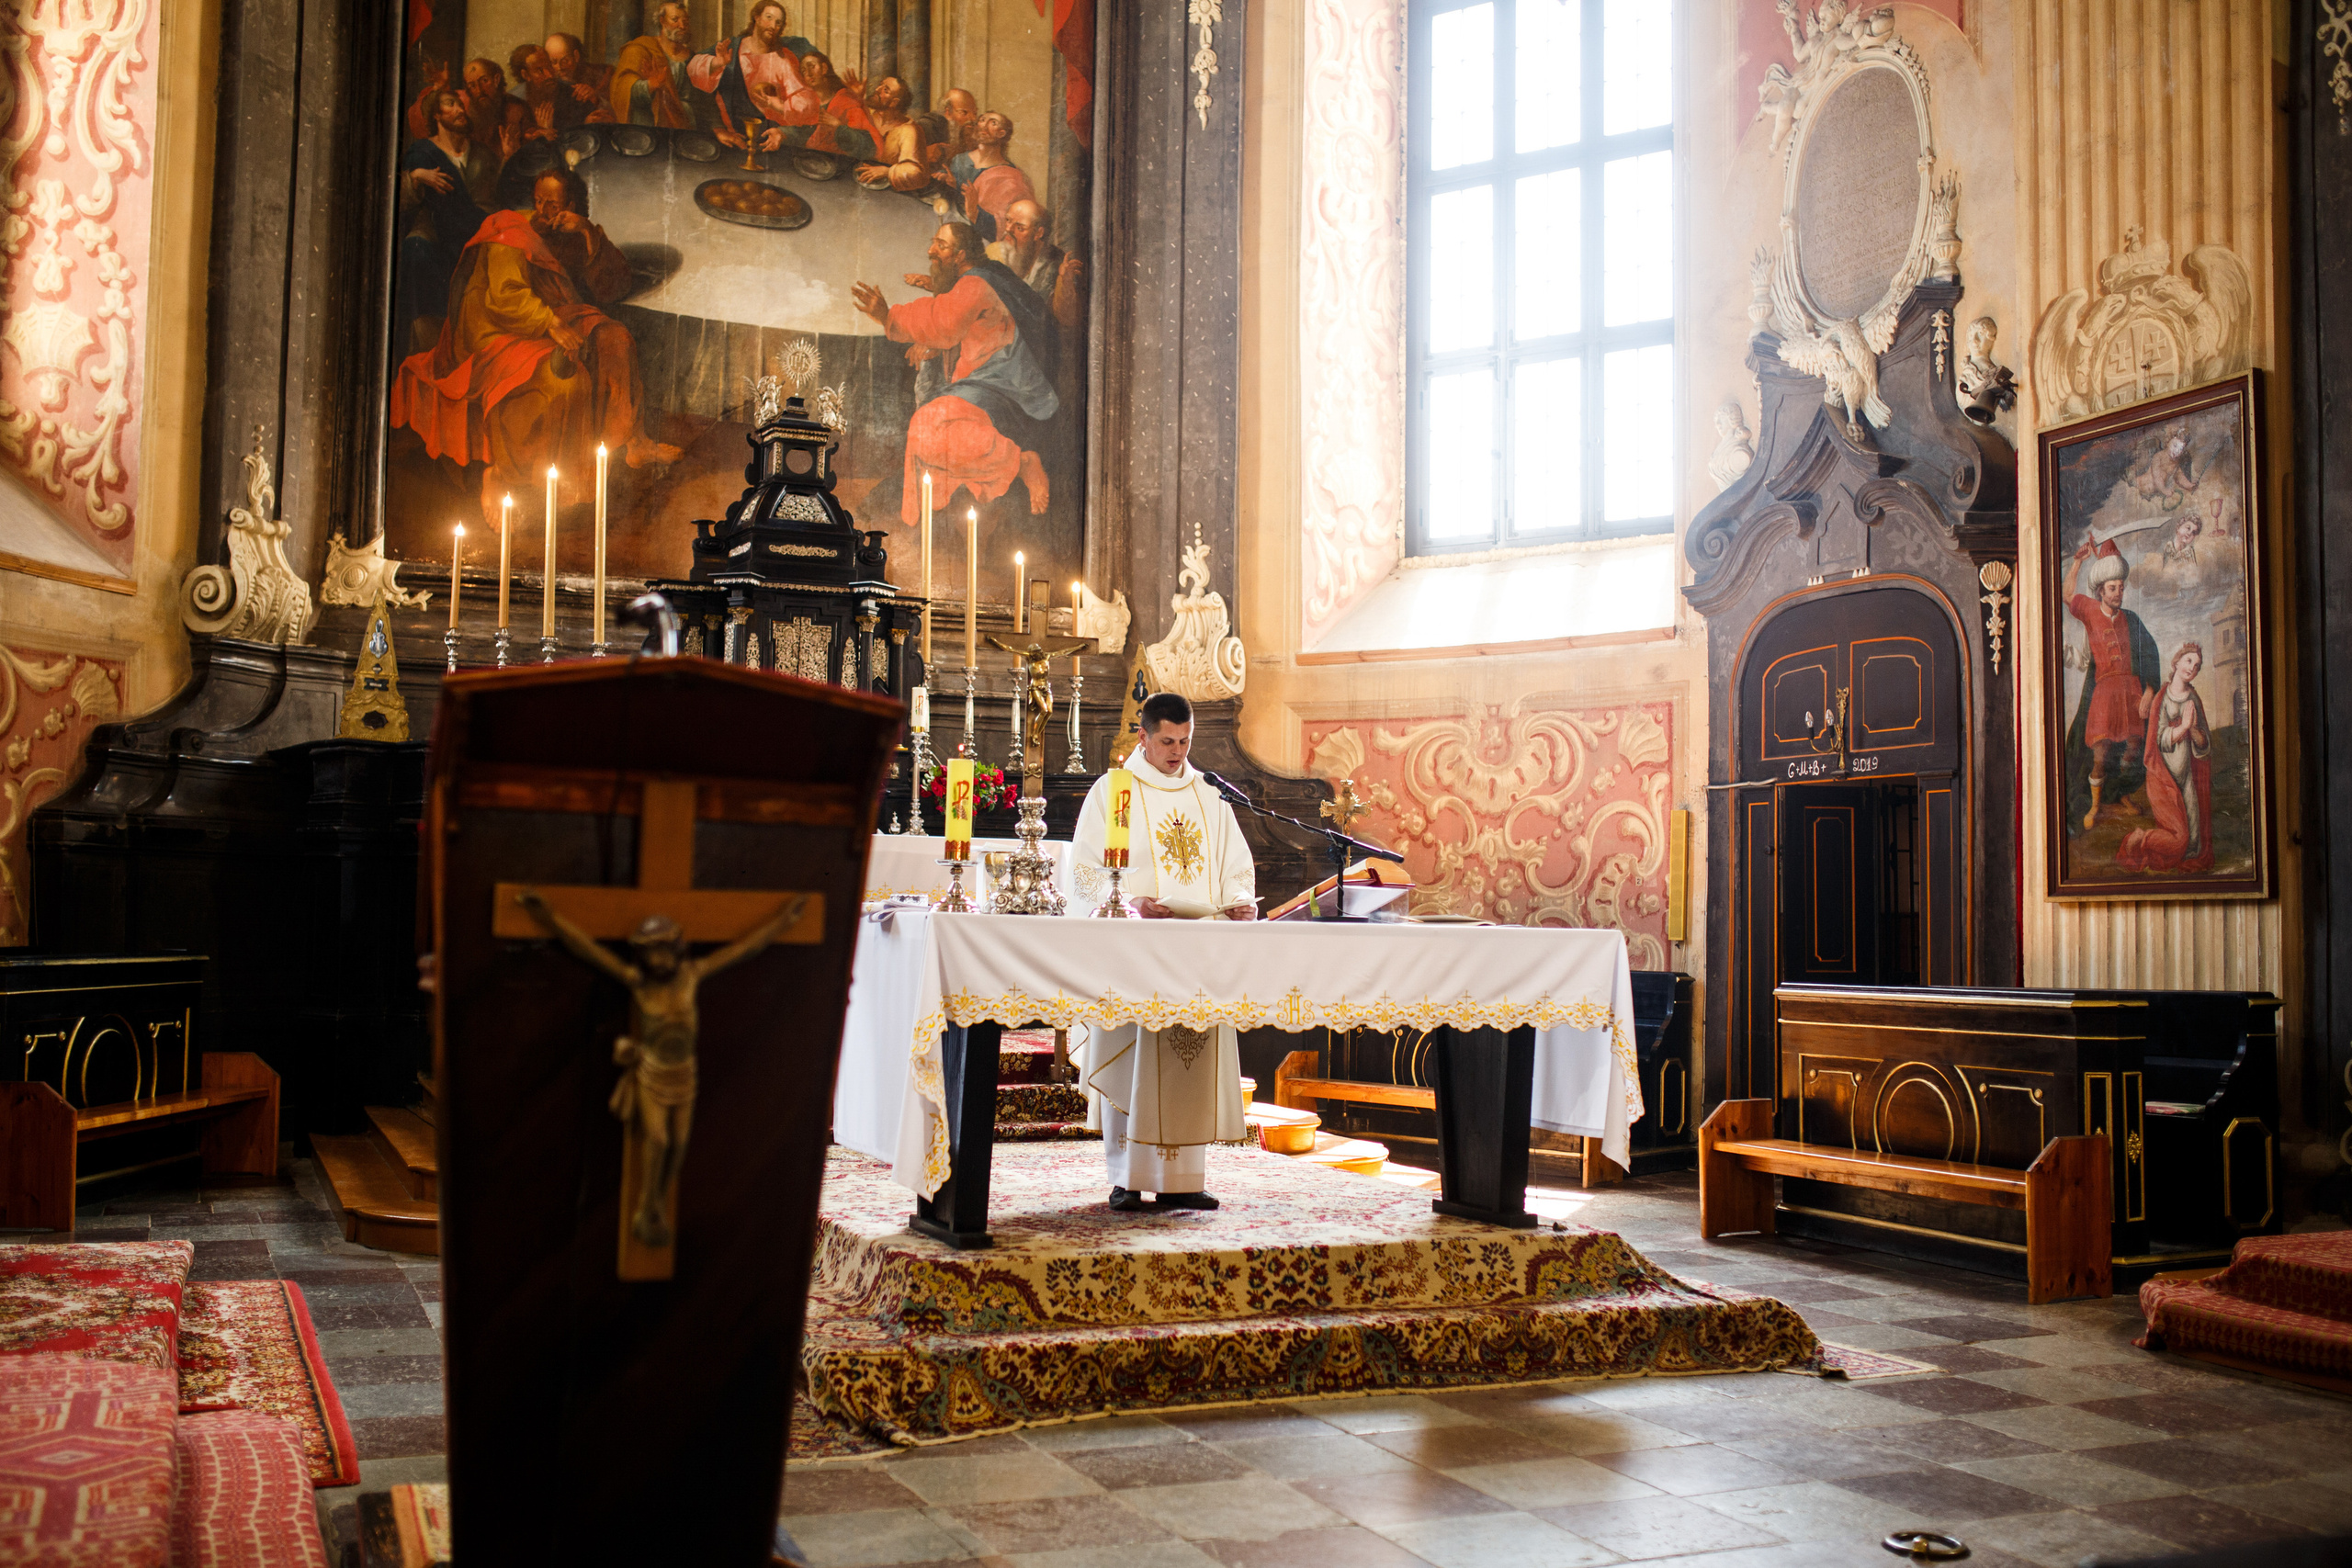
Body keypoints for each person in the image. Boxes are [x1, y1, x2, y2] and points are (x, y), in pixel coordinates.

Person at [390, 169, 681, 533]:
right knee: (559, 378)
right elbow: (504, 297)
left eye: (554, 204)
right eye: (539, 201)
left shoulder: (572, 232)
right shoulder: (510, 229)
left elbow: (614, 287)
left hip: (548, 320)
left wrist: (589, 234)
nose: (544, 210)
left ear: (572, 206)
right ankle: (501, 474)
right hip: (494, 329)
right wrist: (550, 324)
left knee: (615, 337)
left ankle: (635, 441)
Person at [1068, 692, 1256, 1213]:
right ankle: (1126, 1178)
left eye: (1185, 741)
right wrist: (1126, 903)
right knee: (1133, 1058)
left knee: (1186, 1059)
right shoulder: (1115, 791)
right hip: (1137, 950)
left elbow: (1237, 866)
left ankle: (1184, 1180)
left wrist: (1240, 901)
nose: (1177, 752)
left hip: (1197, 951)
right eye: (1168, 741)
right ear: (1143, 737)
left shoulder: (1209, 795)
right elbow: (1084, 870)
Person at [852, 222, 1058, 523]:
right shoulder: (993, 274)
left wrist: (887, 314)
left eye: (941, 245)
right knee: (930, 429)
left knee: (928, 427)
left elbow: (942, 322)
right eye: (933, 243)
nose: (930, 251)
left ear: (961, 255)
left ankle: (1022, 462)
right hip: (998, 380)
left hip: (1004, 388)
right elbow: (958, 319)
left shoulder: (976, 284)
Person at [2064, 538, 2162, 832]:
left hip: (2131, 691)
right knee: (2101, 753)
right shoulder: (2090, 610)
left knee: (2132, 751)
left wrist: (2148, 690)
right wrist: (2078, 562)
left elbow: (2150, 653)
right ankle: (2095, 805)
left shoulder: (2131, 619)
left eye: (2121, 587)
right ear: (2101, 590)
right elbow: (2068, 594)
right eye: (2112, 588)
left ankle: (2123, 795)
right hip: (2105, 692)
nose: (2119, 593)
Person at [396, 89, 495, 350]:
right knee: (416, 251)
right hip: (437, 234)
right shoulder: (423, 152)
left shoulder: (482, 154)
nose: (460, 109)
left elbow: (494, 199)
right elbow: (401, 203)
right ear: (436, 115)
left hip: (478, 233)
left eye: (461, 104)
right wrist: (416, 177)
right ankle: (430, 351)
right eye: (450, 105)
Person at [2117, 642, 2214, 874]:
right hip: (2162, 780)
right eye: (2189, 661)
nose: (2192, 667)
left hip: (2186, 780)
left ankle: (2154, 841)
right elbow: (2159, 740)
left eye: (2197, 665)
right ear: (2176, 663)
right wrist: (2183, 728)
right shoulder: (2162, 698)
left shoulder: (2194, 699)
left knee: (2192, 848)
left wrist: (2192, 731)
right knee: (2179, 841)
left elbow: (2204, 746)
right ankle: (2139, 838)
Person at [688, 1, 816, 152]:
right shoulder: (732, 49)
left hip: (767, 141)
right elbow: (694, 74)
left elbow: (807, 107)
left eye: (778, 22)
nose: (773, 25)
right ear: (756, 17)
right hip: (730, 137)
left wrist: (783, 129)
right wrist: (717, 63)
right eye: (768, 17)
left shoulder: (783, 60)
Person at [992, 198, 1084, 333]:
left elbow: (1068, 319)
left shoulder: (1057, 265)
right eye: (1008, 220)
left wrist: (1065, 284)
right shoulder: (999, 253)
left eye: (1019, 228)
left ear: (1038, 234)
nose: (1008, 229)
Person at [611, 3, 695, 128]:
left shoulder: (692, 58)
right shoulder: (641, 49)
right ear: (662, 21)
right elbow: (622, 89)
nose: (682, 26)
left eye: (685, 21)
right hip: (647, 127)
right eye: (675, 20)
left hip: (684, 127)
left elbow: (703, 100)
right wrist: (650, 85)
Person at [958, 110, 1035, 242]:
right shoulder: (960, 161)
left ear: (1002, 133)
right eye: (982, 120)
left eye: (993, 123)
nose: (984, 125)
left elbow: (1009, 227)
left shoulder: (1012, 178)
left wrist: (974, 212)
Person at [854, 75, 934, 192]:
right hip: (856, 182)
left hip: (888, 193)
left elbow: (918, 174)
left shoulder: (909, 130)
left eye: (885, 90)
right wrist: (856, 97)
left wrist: (887, 171)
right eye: (880, 85)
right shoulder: (867, 114)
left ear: (894, 102)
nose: (877, 90)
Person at [541, 33, 614, 128]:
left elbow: (611, 116)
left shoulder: (600, 76)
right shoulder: (546, 84)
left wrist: (595, 99)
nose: (559, 67)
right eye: (553, 62)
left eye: (565, 60)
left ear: (576, 56)